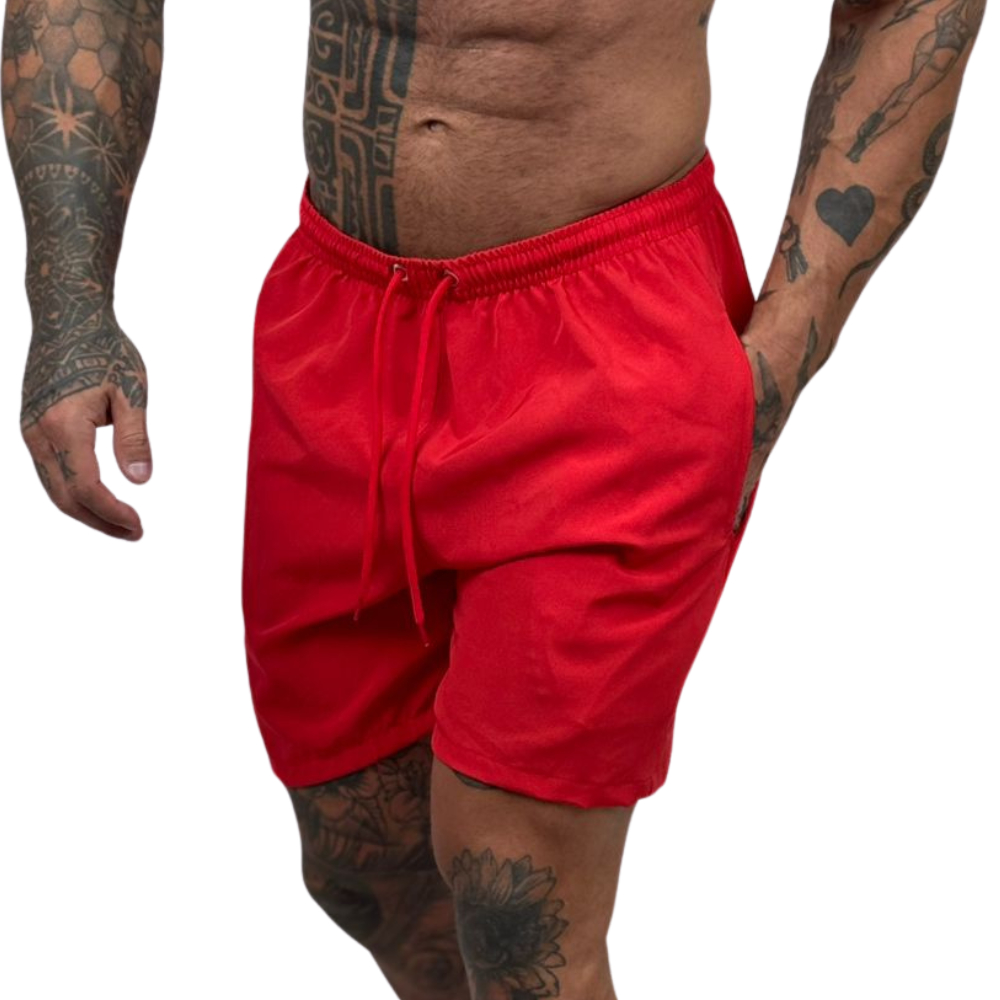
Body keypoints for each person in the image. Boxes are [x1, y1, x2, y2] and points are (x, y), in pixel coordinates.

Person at [2, 1, 987, 997]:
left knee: (517, 902)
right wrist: (70, 306)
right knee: (363, 863)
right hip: (342, 327)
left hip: (609, 345)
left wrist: (787, 338)